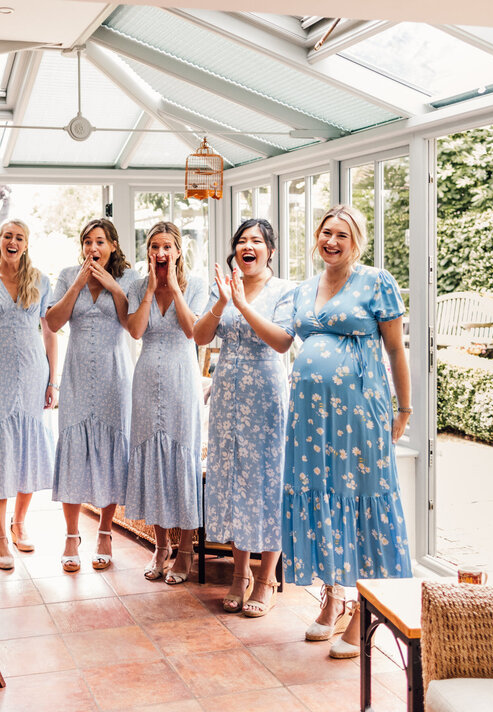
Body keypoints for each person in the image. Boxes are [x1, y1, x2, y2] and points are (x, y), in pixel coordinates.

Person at [273, 204, 412, 659]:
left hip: (359, 417)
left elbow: (395, 349)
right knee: (322, 498)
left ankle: (363, 613)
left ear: (357, 242)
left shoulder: (376, 282)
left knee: (361, 501)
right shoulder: (303, 288)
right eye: (326, 233)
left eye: (342, 236)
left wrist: (403, 408)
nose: (331, 242)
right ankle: (333, 601)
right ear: (317, 237)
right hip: (309, 421)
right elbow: (284, 341)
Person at [194, 219, 294, 614]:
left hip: (266, 399)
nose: (247, 246)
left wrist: (244, 305)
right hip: (225, 401)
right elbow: (201, 337)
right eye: (241, 241)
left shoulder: (284, 291)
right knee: (232, 483)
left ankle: (266, 577)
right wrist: (222, 301)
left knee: (267, 484)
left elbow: (283, 340)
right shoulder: (224, 288)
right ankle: (239, 574)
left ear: (270, 251)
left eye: (256, 241)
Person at [45, 218, 138, 572]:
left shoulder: (128, 278)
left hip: (115, 376)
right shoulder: (69, 274)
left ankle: (104, 531)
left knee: (113, 451)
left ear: (113, 245)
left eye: (100, 241)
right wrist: (79, 284)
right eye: (87, 241)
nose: (92, 248)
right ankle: (71, 536)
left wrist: (114, 287)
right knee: (72, 452)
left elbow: (133, 327)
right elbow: (53, 322)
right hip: (77, 377)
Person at [0, 219, 58, 570]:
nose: (13, 242)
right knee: (2, 449)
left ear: (26, 243)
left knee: (28, 448)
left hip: (35, 371)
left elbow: (50, 332)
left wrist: (52, 380)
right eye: (8, 236)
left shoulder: (41, 281)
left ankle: (19, 524)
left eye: (20, 237)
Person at [124, 221, 206, 585]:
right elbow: (137, 331)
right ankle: (160, 547)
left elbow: (193, 331)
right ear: (148, 251)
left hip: (181, 378)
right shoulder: (138, 285)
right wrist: (150, 292)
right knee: (152, 460)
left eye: (168, 246)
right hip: (145, 380)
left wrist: (173, 286)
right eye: (155, 246)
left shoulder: (198, 285)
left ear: (178, 251)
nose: (161, 252)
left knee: (180, 458)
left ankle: (185, 549)